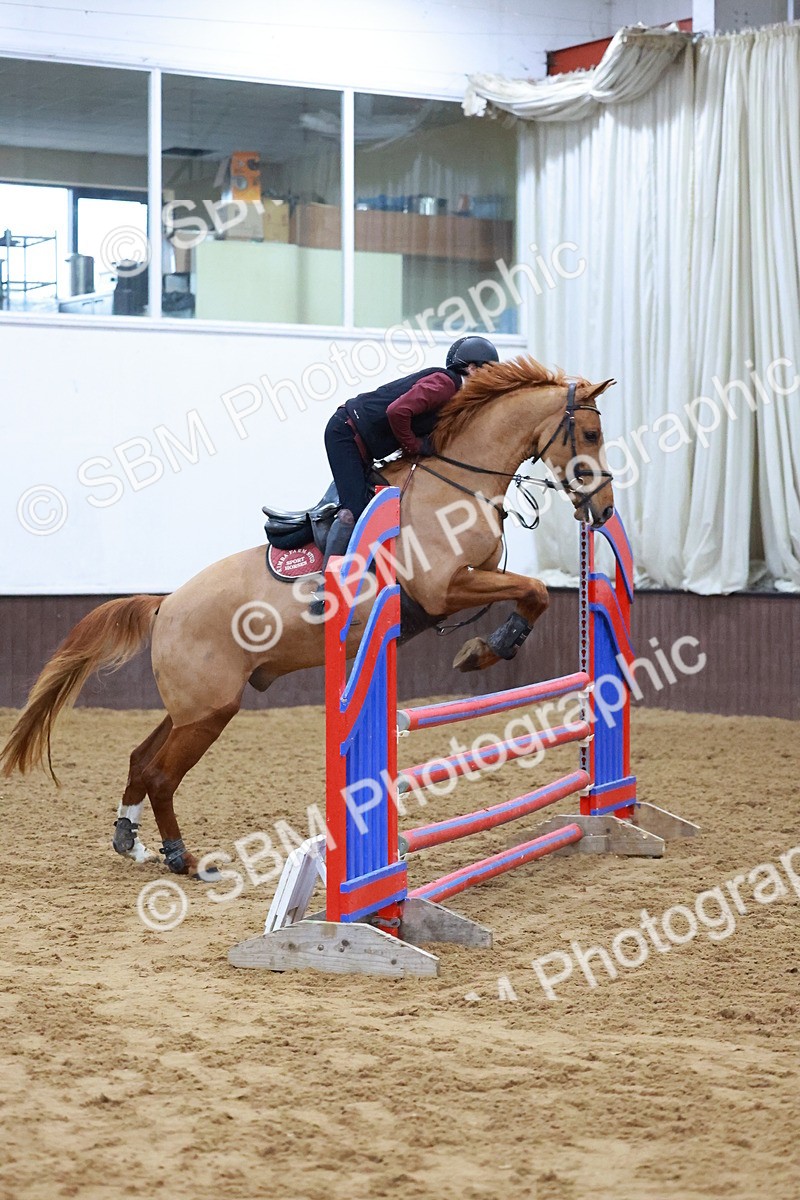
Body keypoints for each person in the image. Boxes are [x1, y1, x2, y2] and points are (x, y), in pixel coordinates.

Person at [309, 335, 499, 615]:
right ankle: (328, 589)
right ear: (471, 368)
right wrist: (415, 446)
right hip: (345, 433)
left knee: (369, 501)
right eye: (489, 371)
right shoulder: (445, 384)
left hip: (359, 438)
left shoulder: (455, 394)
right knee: (355, 510)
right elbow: (398, 411)